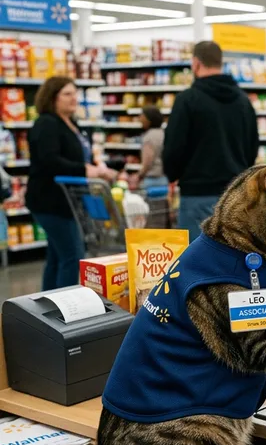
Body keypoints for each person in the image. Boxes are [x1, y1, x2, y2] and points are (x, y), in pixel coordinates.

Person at [163, 41, 259, 241]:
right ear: (221, 63)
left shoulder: (187, 100)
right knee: (232, 257)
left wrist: (173, 174)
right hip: (235, 196)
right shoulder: (243, 101)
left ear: (196, 63)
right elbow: (252, 148)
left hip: (197, 194)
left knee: (196, 261)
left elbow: (173, 147)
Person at [27, 77, 115, 290]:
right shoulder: (46, 123)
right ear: (52, 98)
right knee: (72, 255)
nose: (74, 98)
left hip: (68, 200)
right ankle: (63, 307)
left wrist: (98, 165)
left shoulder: (72, 123)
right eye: (67, 94)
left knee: (57, 256)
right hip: (51, 201)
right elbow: (50, 160)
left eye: (75, 93)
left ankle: (45, 306)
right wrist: (86, 170)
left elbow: (78, 156)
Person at [129, 105, 167, 191]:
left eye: (142, 116)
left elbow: (148, 161)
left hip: (152, 180)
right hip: (164, 178)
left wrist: (139, 175)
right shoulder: (163, 133)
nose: (140, 119)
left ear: (148, 119)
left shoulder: (149, 137)